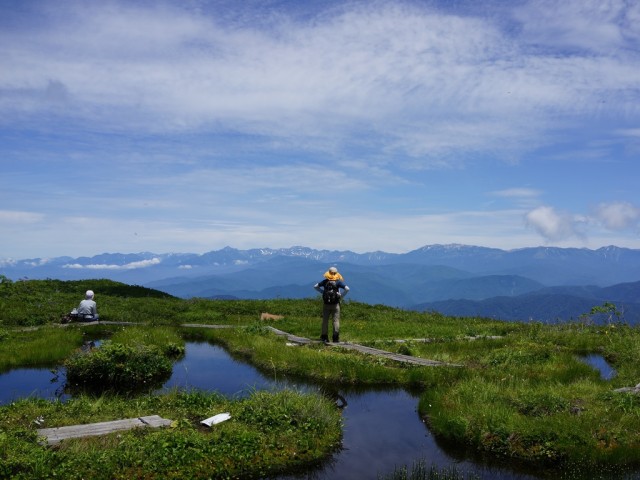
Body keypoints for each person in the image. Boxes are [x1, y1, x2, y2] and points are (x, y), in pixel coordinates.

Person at [314, 267, 349, 343]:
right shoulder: (338, 282)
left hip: (326, 305)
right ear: (336, 274)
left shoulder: (325, 281)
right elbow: (347, 289)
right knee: (336, 321)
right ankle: (335, 338)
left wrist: (322, 292)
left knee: (325, 321)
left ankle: (324, 337)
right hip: (335, 305)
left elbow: (315, 286)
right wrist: (341, 295)